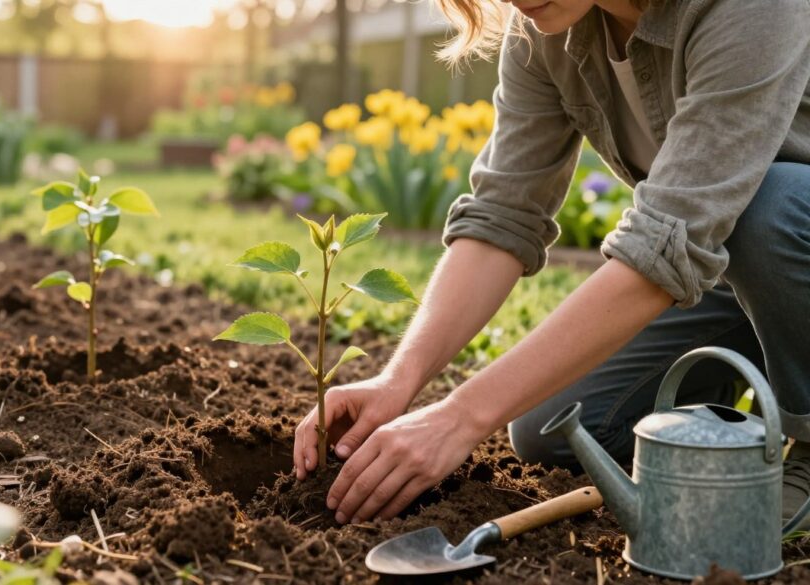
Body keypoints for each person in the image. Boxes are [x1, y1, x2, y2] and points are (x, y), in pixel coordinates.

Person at [292, 0, 810, 527]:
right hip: (740, 273)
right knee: (556, 428)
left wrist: (460, 417)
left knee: (771, 206)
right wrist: (398, 382)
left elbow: (671, 236)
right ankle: (740, 424)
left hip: (785, 234)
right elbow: (502, 217)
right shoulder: (544, 32)